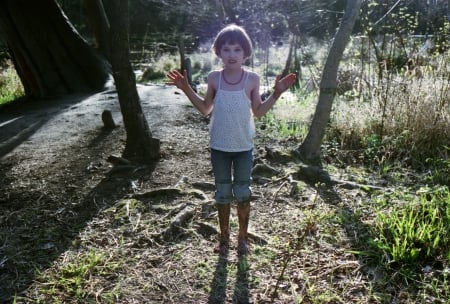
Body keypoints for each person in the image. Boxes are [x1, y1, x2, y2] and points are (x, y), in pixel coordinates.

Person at [166, 24, 296, 255]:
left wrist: (276, 93)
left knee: (243, 192)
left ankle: (243, 238)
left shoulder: (252, 79)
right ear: (218, 52)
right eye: (226, 49)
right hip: (219, 147)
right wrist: (186, 88)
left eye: (237, 49)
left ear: (246, 52)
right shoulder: (214, 78)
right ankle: (224, 237)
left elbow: (258, 111)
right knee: (223, 192)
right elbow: (206, 109)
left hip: (244, 146)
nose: (232, 54)